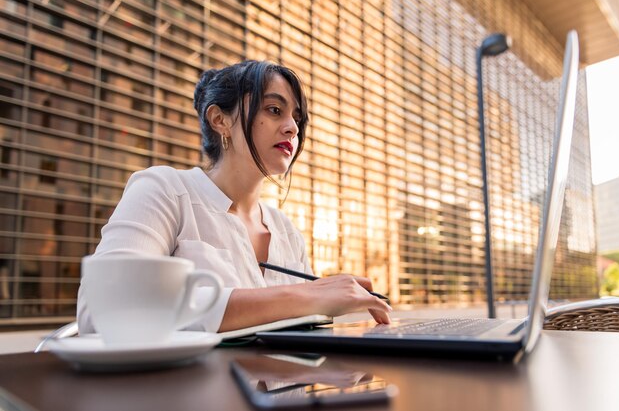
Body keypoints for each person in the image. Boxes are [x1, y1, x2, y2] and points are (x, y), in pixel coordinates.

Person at [77, 60, 391, 334]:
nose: (293, 128)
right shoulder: (165, 190)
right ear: (220, 120)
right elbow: (103, 310)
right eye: (274, 110)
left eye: (297, 117)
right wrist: (308, 296)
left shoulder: (287, 233)